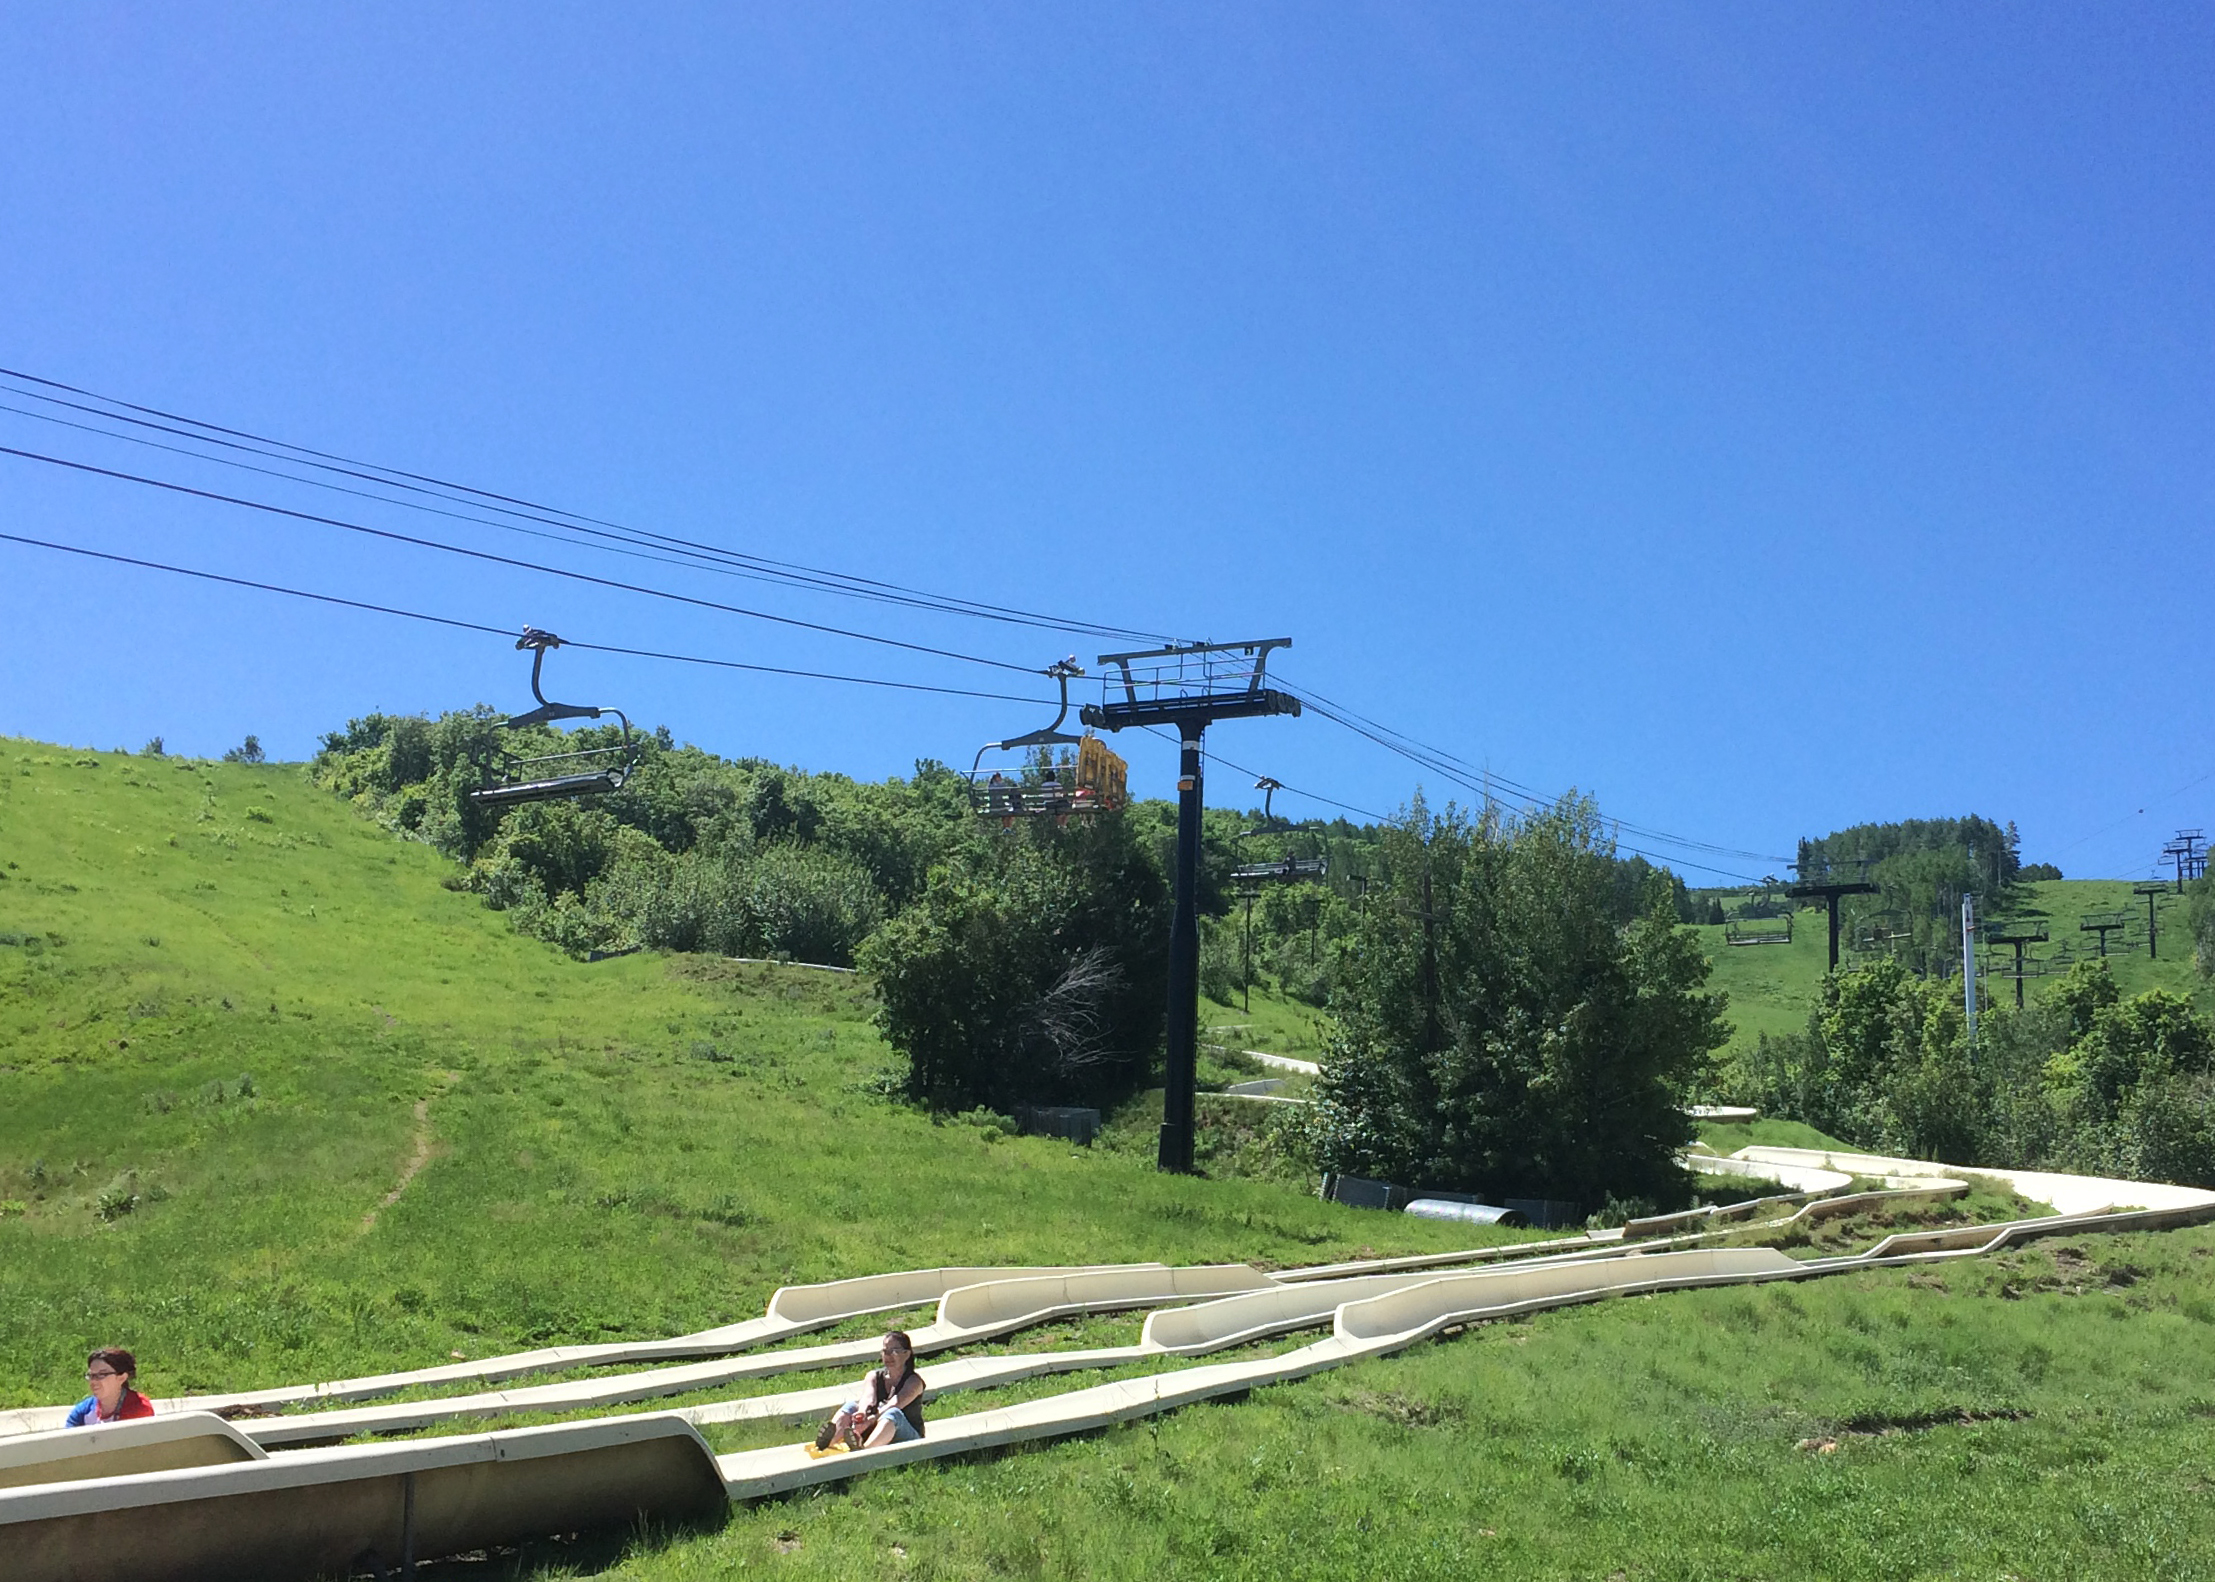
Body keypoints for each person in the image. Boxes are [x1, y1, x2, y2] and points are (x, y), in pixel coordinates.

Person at [814, 1331, 925, 1450]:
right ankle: (829, 1441)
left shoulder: (914, 1382)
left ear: (906, 1354)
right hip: (875, 1430)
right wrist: (862, 1414)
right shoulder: (873, 1376)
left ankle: (864, 1449)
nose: (889, 1356)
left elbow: (896, 1403)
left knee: (893, 1413)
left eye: (894, 1351)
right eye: (885, 1352)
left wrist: (870, 1420)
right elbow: (868, 1397)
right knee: (851, 1406)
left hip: (906, 1436)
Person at [65, 1348, 155, 1426]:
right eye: (92, 1375)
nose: (94, 1381)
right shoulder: (83, 1411)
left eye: (102, 1374)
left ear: (122, 1378)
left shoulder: (139, 1408)